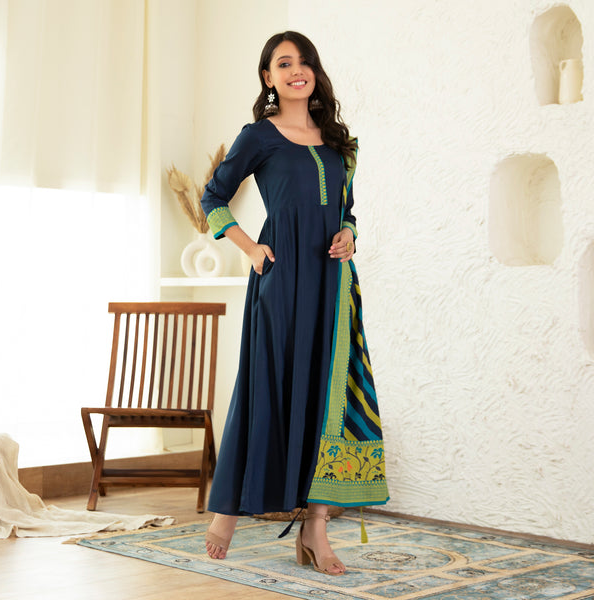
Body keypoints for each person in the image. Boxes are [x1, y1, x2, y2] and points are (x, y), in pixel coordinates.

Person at [201, 31, 389, 576]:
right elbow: (213, 197)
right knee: (266, 387)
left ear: (315, 72)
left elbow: (347, 211)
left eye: (304, 62)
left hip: (333, 285)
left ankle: (316, 528)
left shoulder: (340, 143)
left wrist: (349, 235)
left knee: (327, 398)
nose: (296, 70)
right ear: (268, 77)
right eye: (284, 63)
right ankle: (227, 511)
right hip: (281, 280)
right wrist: (250, 248)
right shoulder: (258, 136)